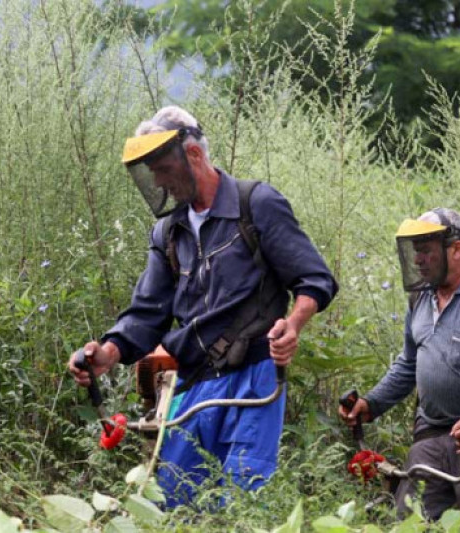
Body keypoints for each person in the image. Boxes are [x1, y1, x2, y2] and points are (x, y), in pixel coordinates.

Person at [68, 106, 337, 507]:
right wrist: (107, 352)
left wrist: (294, 323)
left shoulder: (255, 204)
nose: (158, 181)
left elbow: (314, 279)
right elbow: (148, 312)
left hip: (254, 377)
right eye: (152, 172)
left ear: (193, 155)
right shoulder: (167, 231)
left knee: (240, 503)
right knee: (169, 502)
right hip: (192, 383)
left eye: (162, 168)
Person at [338, 208, 460, 526]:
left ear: (455, 249)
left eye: (425, 250)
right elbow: (409, 364)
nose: (417, 260)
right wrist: (371, 404)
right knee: (408, 522)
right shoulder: (420, 301)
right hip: (431, 433)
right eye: (415, 251)